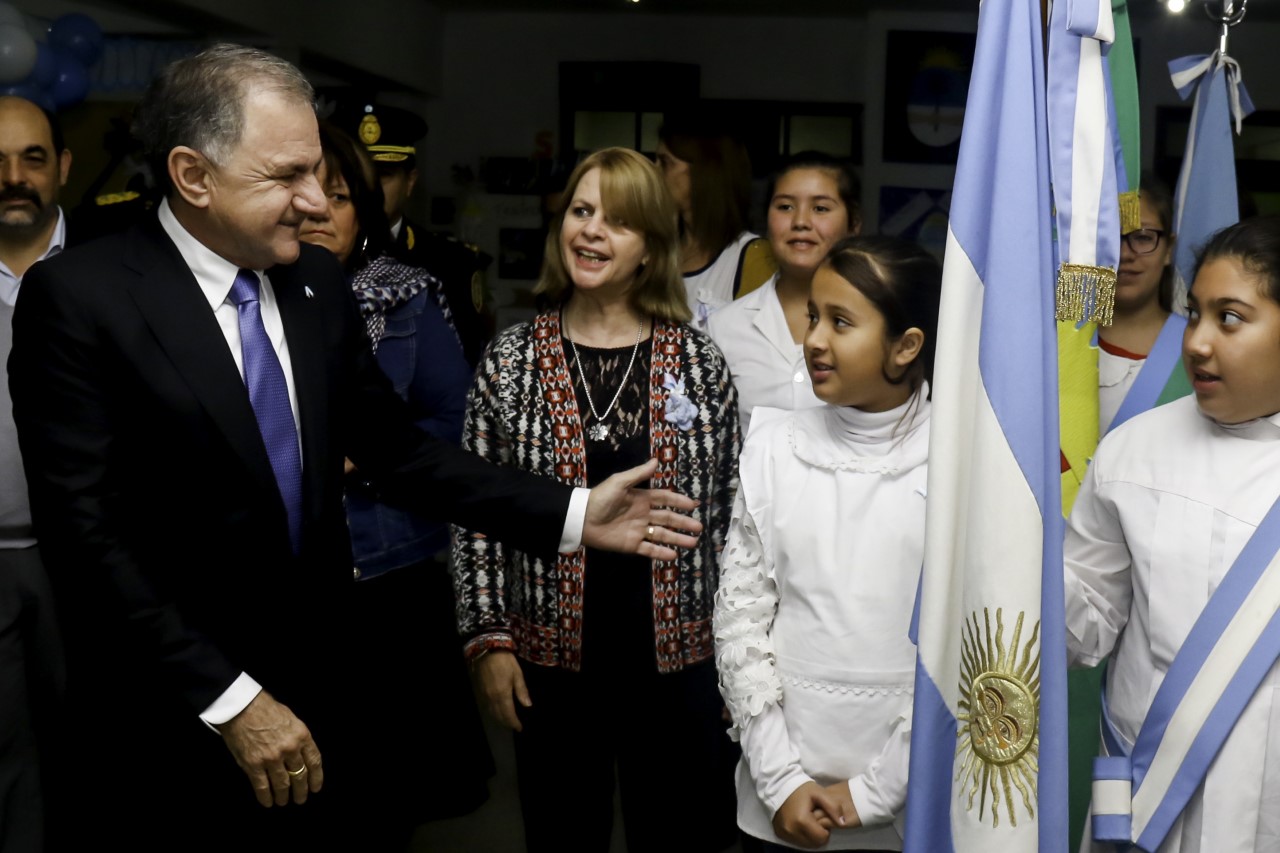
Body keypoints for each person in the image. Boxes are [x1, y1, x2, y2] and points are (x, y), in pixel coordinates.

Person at [7, 45, 702, 852]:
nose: (316, 202)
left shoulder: (313, 286)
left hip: (321, 693)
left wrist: (576, 510)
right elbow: (87, 537)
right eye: (287, 176)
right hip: (172, 708)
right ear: (194, 176)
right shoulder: (82, 299)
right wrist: (231, 699)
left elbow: (399, 451)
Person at [452, 146, 741, 853]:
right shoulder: (512, 360)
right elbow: (476, 510)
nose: (591, 231)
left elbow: (737, 520)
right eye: (581, 212)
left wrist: (739, 655)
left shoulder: (698, 361)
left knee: (679, 839)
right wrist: (487, 642)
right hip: (550, 665)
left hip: (680, 665)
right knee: (561, 835)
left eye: (618, 220)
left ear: (651, 246)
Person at [298, 121, 493, 838]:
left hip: (387, 573)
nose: (318, 209)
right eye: (304, 190)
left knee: (387, 799)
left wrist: (373, 455)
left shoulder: (405, 294)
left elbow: (457, 422)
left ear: (365, 213)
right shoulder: (244, 299)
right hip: (281, 577)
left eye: (341, 196)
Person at [715, 235, 940, 851]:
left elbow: (961, 651)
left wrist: (877, 790)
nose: (812, 338)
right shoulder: (773, 448)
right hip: (780, 787)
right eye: (813, 316)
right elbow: (741, 622)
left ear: (905, 346)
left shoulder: (959, 463)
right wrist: (781, 780)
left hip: (911, 792)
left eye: (841, 322)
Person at [1066, 216, 1280, 853]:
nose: (1198, 342)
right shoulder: (1135, 449)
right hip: (1144, 791)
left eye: (1231, 318)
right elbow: (1088, 622)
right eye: (1194, 314)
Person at [0, 95, 69, 853]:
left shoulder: (117, 273)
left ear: (64, 167)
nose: (13, 178)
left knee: (97, 742)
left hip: (94, 563)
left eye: (31, 157)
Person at [708, 152, 862, 435]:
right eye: (786, 206)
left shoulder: (877, 325)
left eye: (821, 209)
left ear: (854, 225)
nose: (801, 221)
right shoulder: (723, 329)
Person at [336, 100, 495, 368]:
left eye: (383, 174)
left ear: (410, 182)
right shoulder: (315, 251)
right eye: (356, 174)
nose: (370, 185)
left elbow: (466, 363)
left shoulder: (452, 263)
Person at [656, 112, 772, 328]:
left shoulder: (751, 257)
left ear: (703, 172)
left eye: (665, 163)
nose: (654, 172)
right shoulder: (656, 251)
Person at [1098, 177, 1190, 434]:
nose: (1125, 254)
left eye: (1143, 237)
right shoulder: (1060, 345)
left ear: (1169, 249)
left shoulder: (1197, 345)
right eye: (1109, 238)